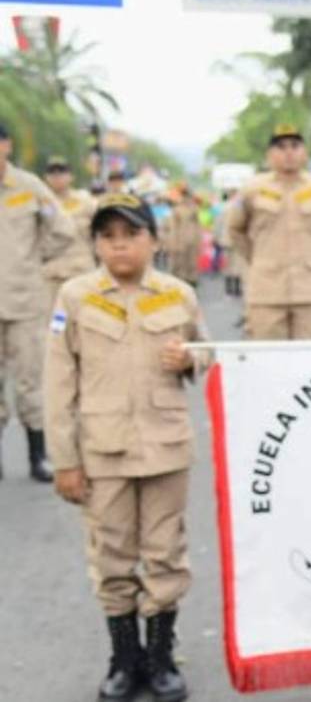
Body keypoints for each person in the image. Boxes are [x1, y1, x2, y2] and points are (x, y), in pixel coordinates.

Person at [45, 193, 210, 702]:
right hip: (103, 449)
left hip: (164, 446)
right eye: (108, 237)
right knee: (111, 554)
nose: (119, 247)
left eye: (131, 235)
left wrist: (187, 359)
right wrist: (66, 460)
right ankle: (124, 656)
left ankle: (160, 657)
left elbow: (205, 353)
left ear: (153, 241)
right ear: (96, 244)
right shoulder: (75, 297)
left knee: (165, 552)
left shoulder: (178, 294)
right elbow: (57, 384)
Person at [0, 123, 76, 482]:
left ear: (7, 145)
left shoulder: (29, 188)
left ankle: (38, 456)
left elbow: (61, 231)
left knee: (31, 379)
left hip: (24, 300)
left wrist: (32, 261)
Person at [228, 124, 311, 340]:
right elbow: (235, 230)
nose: (289, 152)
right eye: (281, 147)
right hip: (266, 291)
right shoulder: (252, 189)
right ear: (270, 155)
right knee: (268, 360)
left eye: (295, 146)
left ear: (305, 153)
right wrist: (258, 259)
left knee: (310, 362)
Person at [41, 156, 98, 312]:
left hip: (80, 270)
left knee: (84, 318)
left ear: (71, 176)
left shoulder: (85, 201)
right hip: (51, 274)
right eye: (52, 172)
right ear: (46, 177)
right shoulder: (40, 202)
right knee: (55, 322)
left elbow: (100, 231)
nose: (57, 176)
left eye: (62, 171)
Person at [164, 183, 202, 286]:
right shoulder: (177, 210)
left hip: (191, 239)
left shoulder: (194, 209)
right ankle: (180, 281)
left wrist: (199, 240)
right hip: (180, 239)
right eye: (186, 195)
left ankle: (191, 279)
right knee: (179, 263)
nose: (187, 198)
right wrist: (172, 243)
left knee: (191, 262)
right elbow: (173, 228)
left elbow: (198, 226)